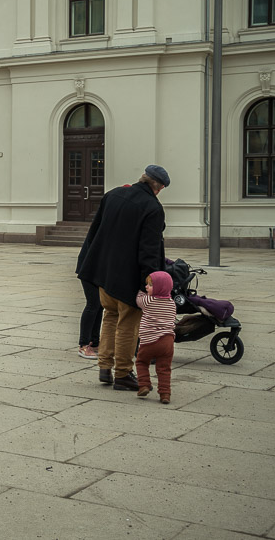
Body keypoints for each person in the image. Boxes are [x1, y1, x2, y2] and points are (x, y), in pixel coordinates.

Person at [77, 164, 170, 391]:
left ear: (143, 178)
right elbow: (149, 253)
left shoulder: (113, 195)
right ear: (158, 188)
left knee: (109, 316)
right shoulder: (152, 208)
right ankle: (123, 374)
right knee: (128, 324)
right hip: (128, 277)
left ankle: (105, 367)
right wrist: (149, 283)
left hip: (104, 273)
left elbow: (95, 232)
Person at [135, 271, 176, 404]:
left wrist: (140, 292)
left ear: (159, 288)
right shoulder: (171, 303)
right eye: (147, 284)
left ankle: (144, 385)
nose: (147, 287)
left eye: (150, 285)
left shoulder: (148, 300)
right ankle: (165, 394)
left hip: (149, 341)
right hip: (167, 341)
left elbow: (138, 300)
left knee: (141, 362)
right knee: (164, 368)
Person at [75, 234, 101, 359]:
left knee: (100, 305)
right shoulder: (107, 222)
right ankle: (83, 344)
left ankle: (95, 342)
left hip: (99, 269)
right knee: (93, 303)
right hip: (88, 267)